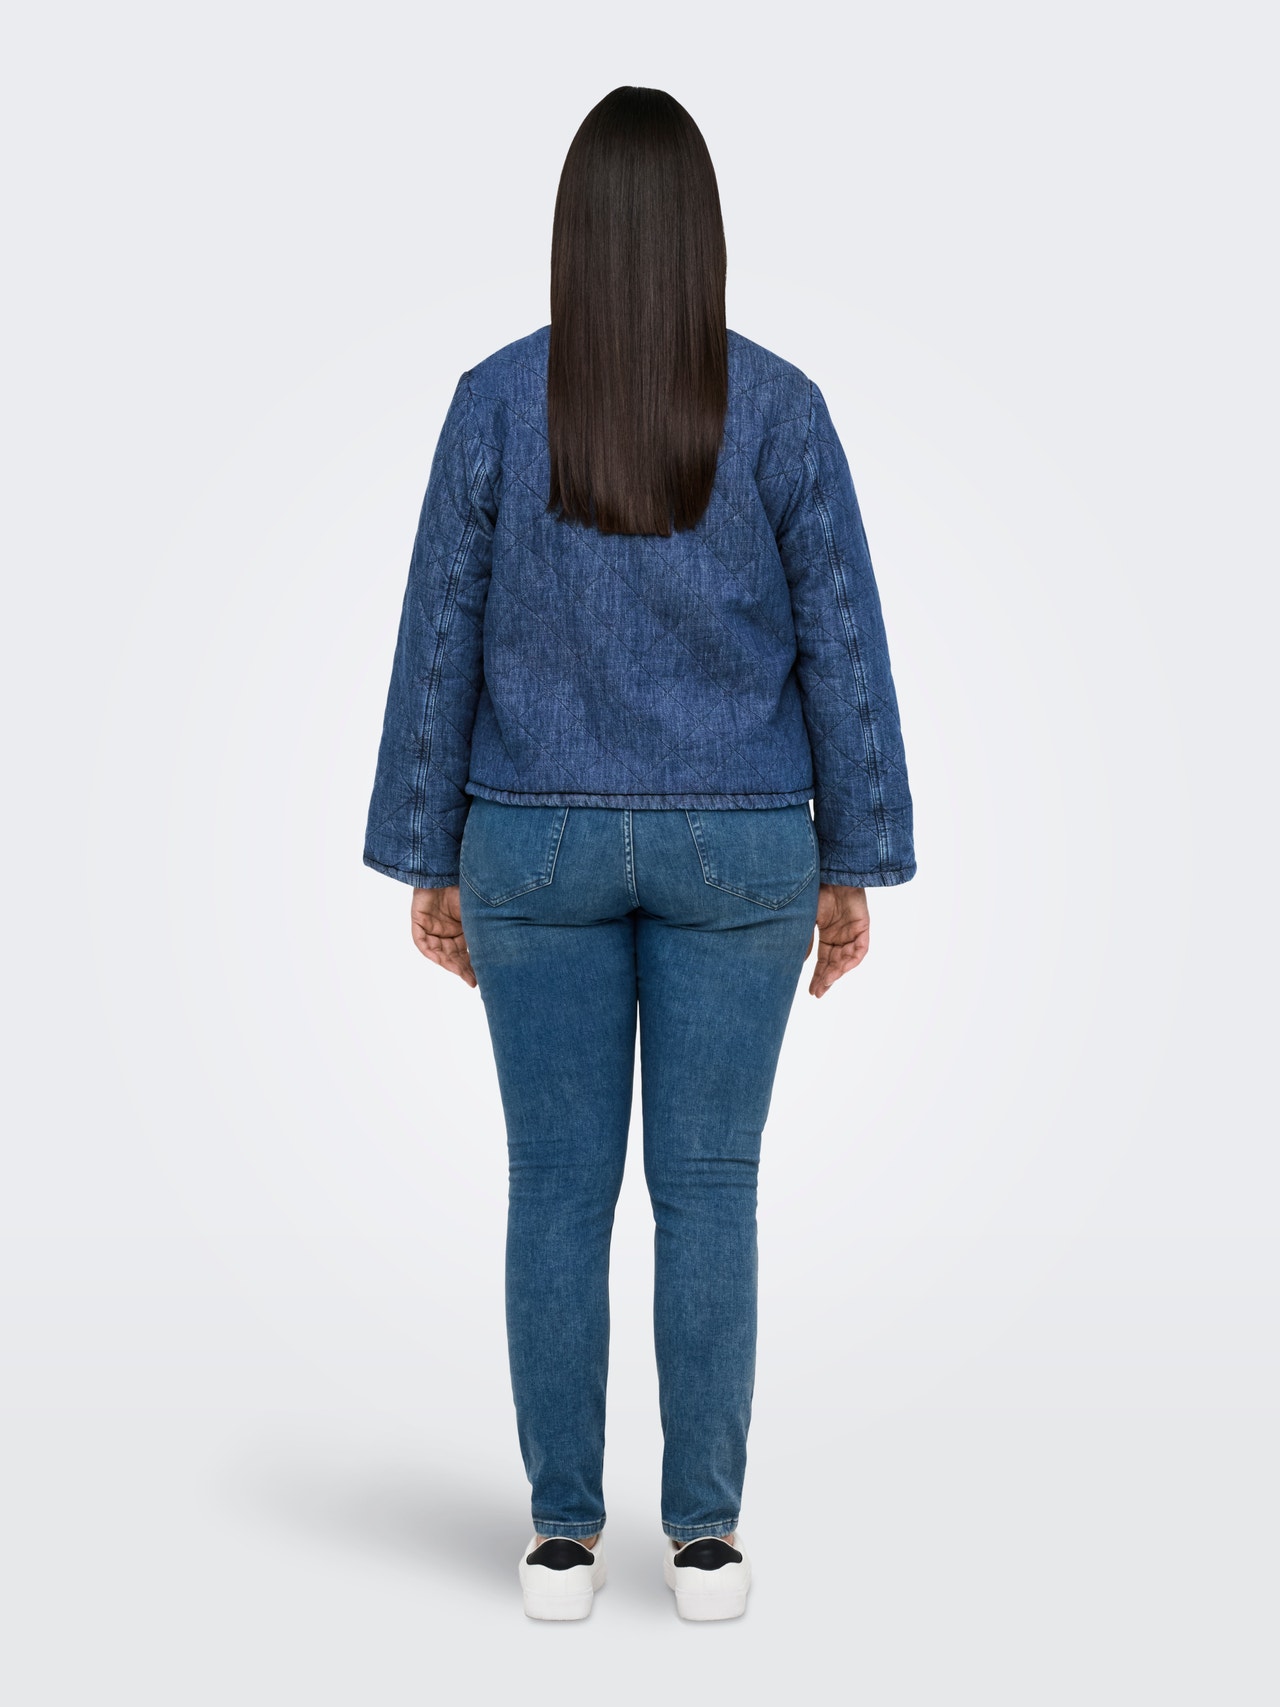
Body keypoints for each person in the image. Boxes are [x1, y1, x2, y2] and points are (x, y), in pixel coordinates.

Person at [363, 85, 915, 1622]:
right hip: (741, 849)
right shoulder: (783, 409)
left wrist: (429, 853)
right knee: (710, 1192)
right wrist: (855, 859)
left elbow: (439, 641)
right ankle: (705, 1545)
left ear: (573, 237)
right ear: (701, 239)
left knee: (555, 1189)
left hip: (529, 841)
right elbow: (842, 648)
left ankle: (559, 1542)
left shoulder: (493, 402)